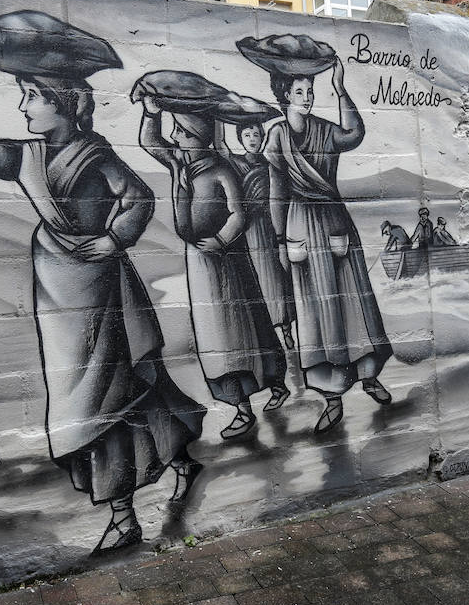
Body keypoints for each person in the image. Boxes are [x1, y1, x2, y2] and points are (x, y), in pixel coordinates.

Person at [0, 16, 205, 554]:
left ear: (61, 101)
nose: (23, 108)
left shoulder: (97, 155)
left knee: (106, 396)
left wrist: (113, 240)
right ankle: (179, 458)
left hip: (101, 288)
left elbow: (138, 199)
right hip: (58, 291)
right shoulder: (27, 156)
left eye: (31, 97)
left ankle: (123, 515)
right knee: (109, 391)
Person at [249, 47, 393, 434]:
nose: (308, 96)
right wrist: (281, 238)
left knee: (352, 303)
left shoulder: (326, 129)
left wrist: (341, 89)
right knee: (315, 311)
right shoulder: (277, 135)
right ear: (284, 96)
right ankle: (332, 398)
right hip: (299, 223)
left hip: (333, 217)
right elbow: (277, 190)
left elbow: (355, 134)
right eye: (299, 91)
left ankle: (368, 376)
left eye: (310, 90)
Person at [139, 96, 288, 438]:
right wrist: (150, 113)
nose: (174, 137)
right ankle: (242, 404)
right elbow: (150, 142)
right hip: (199, 263)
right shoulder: (179, 164)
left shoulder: (221, 170)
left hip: (228, 260)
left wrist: (221, 241)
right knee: (214, 336)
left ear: (197, 136)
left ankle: (262, 392)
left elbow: (239, 213)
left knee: (242, 331)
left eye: (181, 131)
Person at [213, 119, 297, 350]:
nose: (252, 139)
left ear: (262, 138)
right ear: (241, 138)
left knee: (280, 280)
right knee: (258, 281)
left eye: (256, 135)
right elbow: (220, 145)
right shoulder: (236, 164)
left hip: (273, 225)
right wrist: (220, 115)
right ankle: (268, 336)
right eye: (247, 135)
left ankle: (287, 329)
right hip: (249, 230)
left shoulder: (271, 163)